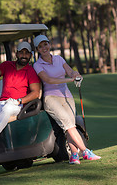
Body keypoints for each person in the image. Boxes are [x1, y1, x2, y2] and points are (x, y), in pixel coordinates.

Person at [33, 35, 101, 164]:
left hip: (66, 96)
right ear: (37, 49)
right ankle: (85, 151)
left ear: (49, 44)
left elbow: (70, 71)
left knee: (70, 126)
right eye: (40, 47)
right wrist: (70, 80)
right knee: (68, 125)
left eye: (45, 44)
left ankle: (74, 155)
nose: (44, 48)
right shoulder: (37, 65)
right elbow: (49, 80)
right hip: (51, 98)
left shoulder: (59, 59)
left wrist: (75, 75)